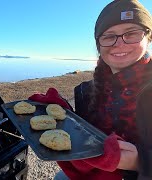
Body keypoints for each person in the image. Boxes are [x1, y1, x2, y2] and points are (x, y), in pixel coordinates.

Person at [53, 0, 152, 179]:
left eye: (131, 34)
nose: (119, 44)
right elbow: (83, 137)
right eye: (109, 36)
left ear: (148, 37)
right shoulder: (87, 91)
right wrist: (64, 114)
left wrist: (140, 162)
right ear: (99, 45)